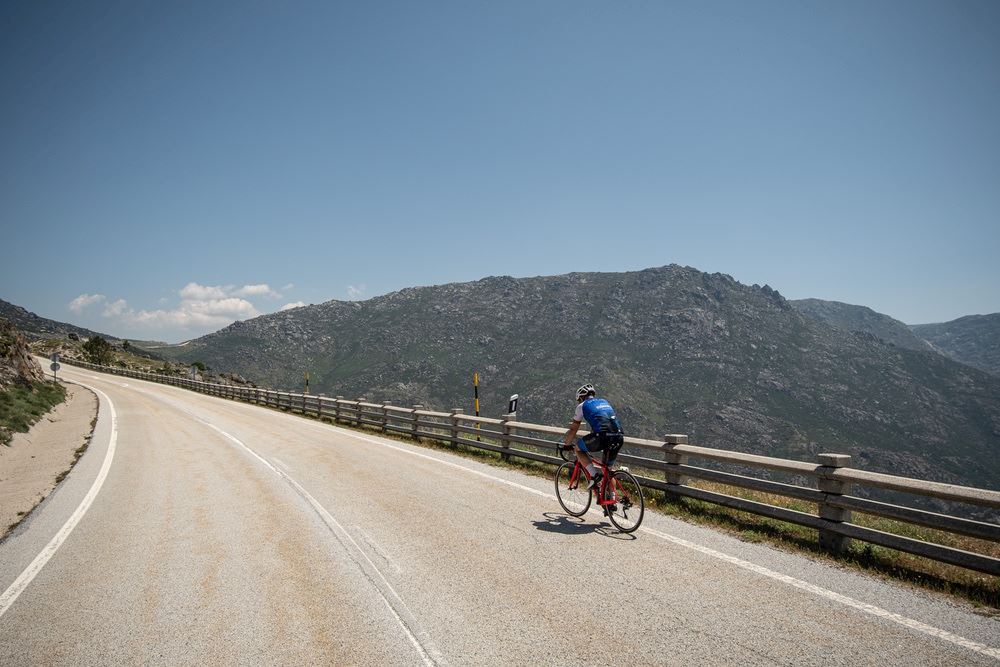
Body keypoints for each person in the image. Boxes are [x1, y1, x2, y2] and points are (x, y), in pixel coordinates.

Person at [562, 383, 624, 491]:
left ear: (581, 397)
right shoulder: (604, 402)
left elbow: (573, 429)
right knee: (607, 470)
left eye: (579, 400)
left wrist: (566, 444)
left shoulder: (582, 406)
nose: (579, 402)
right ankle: (612, 501)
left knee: (578, 448)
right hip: (618, 436)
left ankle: (595, 476)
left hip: (602, 437)